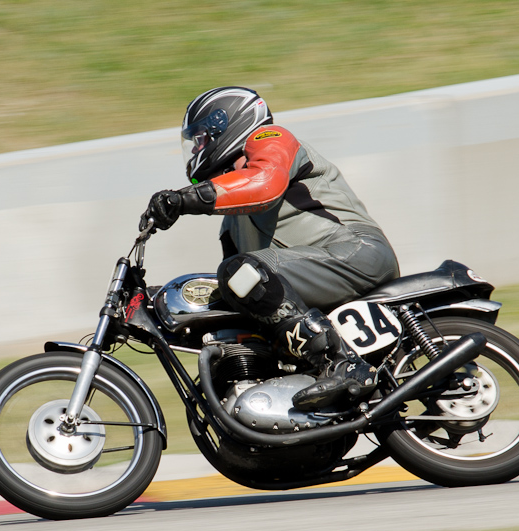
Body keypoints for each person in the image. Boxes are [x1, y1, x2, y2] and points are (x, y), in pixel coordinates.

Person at [141, 86, 400, 411]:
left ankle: (343, 364)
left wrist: (185, 200)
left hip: (356, 251)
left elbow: (265, 183)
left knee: (240, 272)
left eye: (202, 138)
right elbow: (248, 297)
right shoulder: (231, 224)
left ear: (229, 123)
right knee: (237, 284)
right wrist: (158, 299)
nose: (196, 150)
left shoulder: (270, 139)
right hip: (316, 278)